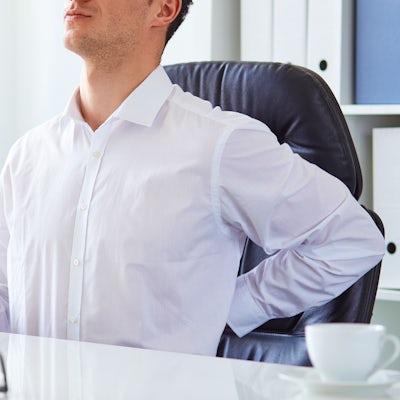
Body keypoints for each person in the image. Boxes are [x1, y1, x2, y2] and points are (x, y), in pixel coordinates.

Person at [0, 0, 385, 356]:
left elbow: (353, 238)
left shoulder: (219, 143)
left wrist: (234, 307)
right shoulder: (27, 156)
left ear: (164, 8)